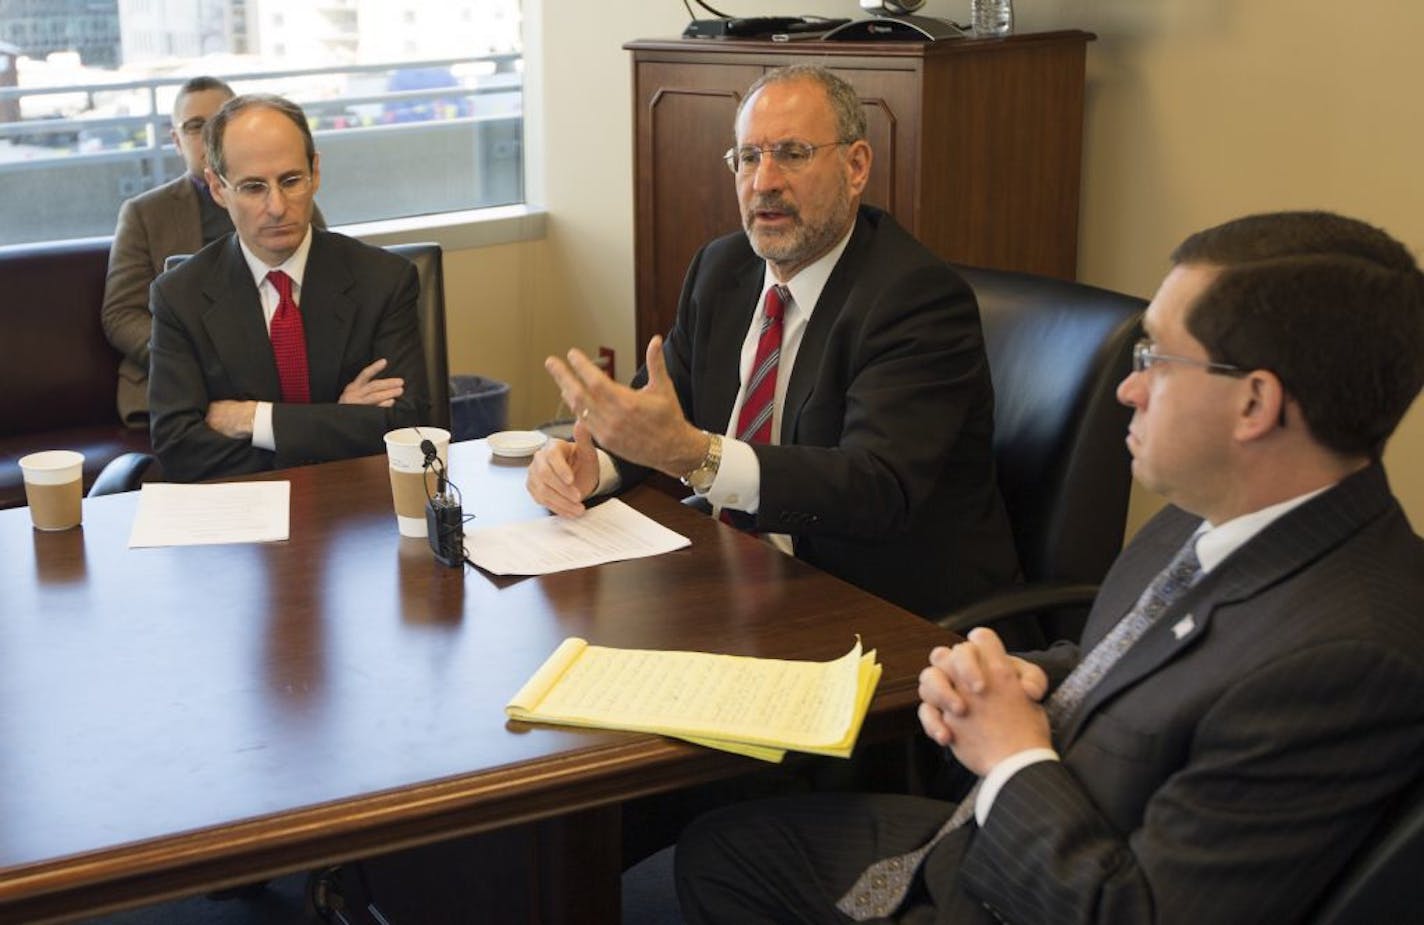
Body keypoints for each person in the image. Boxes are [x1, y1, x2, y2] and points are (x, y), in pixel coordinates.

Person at [673, 210, 1424, 924]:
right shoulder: (1211, 512)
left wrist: (1012, 752)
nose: (1129, 388)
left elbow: (1135, 913)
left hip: (1036, 886)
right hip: (1002, 833)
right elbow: (1142, 663)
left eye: (1156, 359)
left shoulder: (1345, 658)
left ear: (1255, 403)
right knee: (717, 847)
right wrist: (1025, 675)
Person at [526, 65, 1019, 620]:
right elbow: (662, 414)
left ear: (856, 167)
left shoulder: (915, 299)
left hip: (884, 609)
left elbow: (875, 488)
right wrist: (595, 464)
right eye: (749, 157)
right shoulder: (722, 268)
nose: (764, 182)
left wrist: (697, 455)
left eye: (792, 153)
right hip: (743, 580)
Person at [148, 94, 428, 482]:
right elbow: (179, 449)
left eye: (291, 180)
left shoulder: (384, 280)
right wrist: (337, 418)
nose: (277, 206)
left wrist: (254, 419)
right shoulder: (180, 296)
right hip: (242, 519)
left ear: (315, 172)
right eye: (253, 188)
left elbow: (406, 426)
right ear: (217, 187)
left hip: (359, 506)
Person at [101, 77, 327, 429]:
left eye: (219, 120)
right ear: (176, 141)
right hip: (178, 386)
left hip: (283, 379)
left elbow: (322, 288)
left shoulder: (288, 207)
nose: (208, 135)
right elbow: (121, 314)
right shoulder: (144, 213)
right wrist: (195, 363)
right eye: (194, 127)